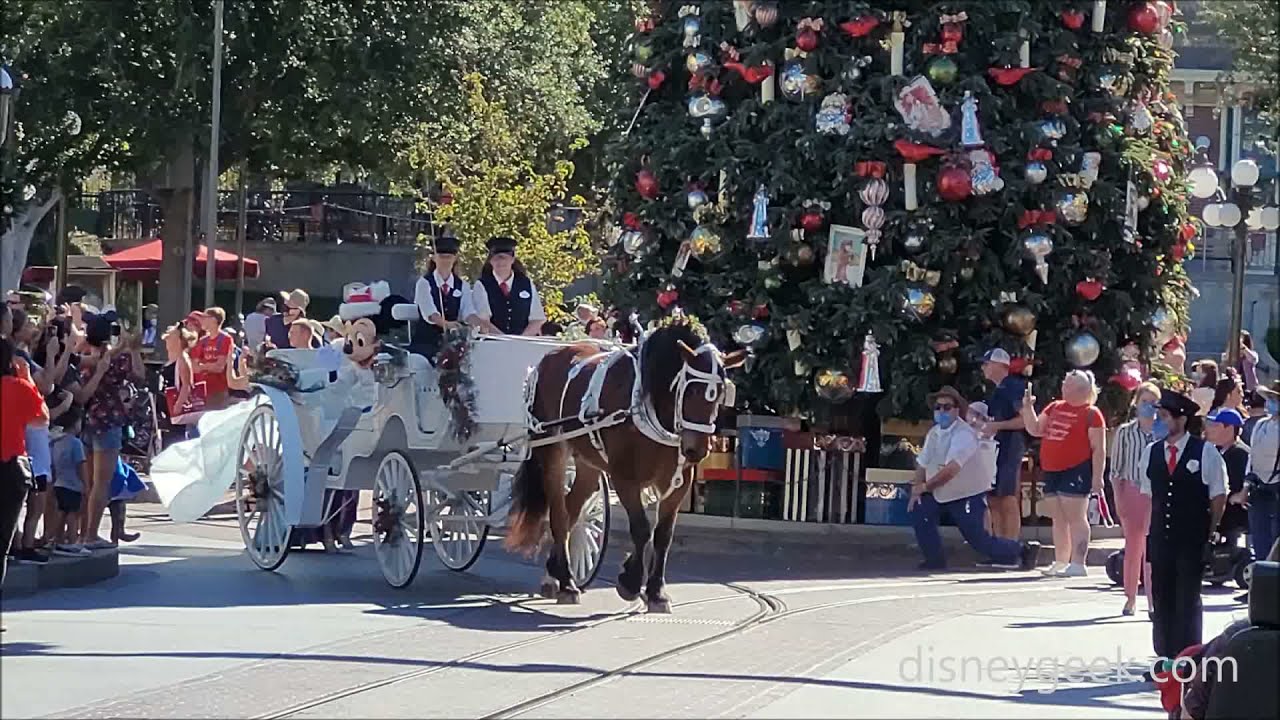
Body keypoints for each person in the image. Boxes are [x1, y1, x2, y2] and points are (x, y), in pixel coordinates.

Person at [1138, 389, 1228, 665]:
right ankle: (1164, 656)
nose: (1160, 421)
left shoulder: (1206, 452)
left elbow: (1218, 496)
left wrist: (1210, 533)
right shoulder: (1152, 452)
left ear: (1181, 419)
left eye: (1165, 416)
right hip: (1161, 538)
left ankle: (1188, 656)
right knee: (1162, 596)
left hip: (1191, 538)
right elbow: (1149, 495)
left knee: (1187, 599)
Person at [909, 386, 1040, 571]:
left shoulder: (964, 435)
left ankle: (1022, 550)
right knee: (920, 511)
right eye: (938, 407)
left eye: (947, 407)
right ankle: (934, 559)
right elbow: (923, 462)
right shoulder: (935, 433)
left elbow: (951, 470)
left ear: (956, 410)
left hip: (965, 493)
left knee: (979, 541)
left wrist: (924, 487)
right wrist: (917, 488)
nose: (941, 411)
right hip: (940, 491)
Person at [1021, 370, 1107, 577]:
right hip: (1051, 469)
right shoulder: (1054, 407)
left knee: (1076, 517)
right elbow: (1035, 429)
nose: (1064, 388)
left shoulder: (1092, 414)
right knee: (1058, 517)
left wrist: (1097, 477)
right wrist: (1027, 408)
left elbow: (1099, 449)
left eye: (1070, 385)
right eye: (1065, 383)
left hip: (1076, 469)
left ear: (1084, 390)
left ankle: (1078, 563)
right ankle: (1061, 560)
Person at [75, 313, 145, 549]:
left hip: (87, 421)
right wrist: (133, 348)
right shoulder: (115, 359)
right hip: (109, 420)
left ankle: (82, 532)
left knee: (88, 483)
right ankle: (91, 534)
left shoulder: (83, 356)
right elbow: (139, 376)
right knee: (101, 484)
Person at [1, 335, 50, 621]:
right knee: (2, 542)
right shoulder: (18, 387)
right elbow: (41, 419)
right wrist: (28, 379)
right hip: (9, 468)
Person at [1110, 381, 1160, 616]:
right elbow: (1116, 471)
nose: (1148, 407)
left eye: (1153, 403)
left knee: (1153, 548)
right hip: (1132, 491)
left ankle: (1153, 599)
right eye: (1144, 402)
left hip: (1157, 494)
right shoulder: (1125, 432)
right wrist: (1119, 500)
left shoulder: (1163, 432)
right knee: (1133, 546)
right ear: (1136, 403)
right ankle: (1130, 597)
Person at [978, 348, 1026, 542]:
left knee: (1007, 498)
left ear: (999, 365)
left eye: (987, 363)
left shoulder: (1013, 387)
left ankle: (1011, 546)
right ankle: (998, 547)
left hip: (1009, 448)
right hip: (995, 449)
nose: (983, 368)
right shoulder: (998, 391)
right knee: (993, 499)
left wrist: (997, 426)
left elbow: (1024, 420)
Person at [412, 233, 474, 358]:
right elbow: (430, 313)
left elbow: (468, 312)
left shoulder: (463, 286)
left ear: (455, 258)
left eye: (449, 257)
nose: (445, 261)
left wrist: (478, 324)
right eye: (441, 257)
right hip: (426, 344)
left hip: (455, 344)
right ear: (434, 258)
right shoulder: (424, 283)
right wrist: (447, 324)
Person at [469, 236, 546, 336]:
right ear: (490, 261)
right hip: (493, 343)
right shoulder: (482, 285)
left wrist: (520, 340)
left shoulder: (526, 284)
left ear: (512, 259)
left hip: (523, 343)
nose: (501, 263)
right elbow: (483, 321)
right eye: (496, 259)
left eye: (504, 258)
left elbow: (537, 319)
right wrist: (505, 341)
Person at [48, 407, 91, 557]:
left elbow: (52, 465)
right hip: (73, 485)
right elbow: (81, 464)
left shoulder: (55, 442)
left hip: (59, 483)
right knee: (72, 513)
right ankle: (72, 541)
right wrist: (85, 484)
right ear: (75, 424)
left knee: (61, 512)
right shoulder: (75, 443)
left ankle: (57, 539)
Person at [1246, 381, 1279, 564]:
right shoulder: (1260, 424)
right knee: (1260, 538)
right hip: (1259, 485)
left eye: (1276, 400)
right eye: (1271, 399)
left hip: (1278, 487)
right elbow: (1252, 456)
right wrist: (1246, 486)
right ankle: (1258, 588)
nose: (1271, 403)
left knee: (1276, 542)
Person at [192, 307, 234, 410]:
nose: (202, 320)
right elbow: (194, 367)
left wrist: (203, 366)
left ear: (214, 320)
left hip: (218, 389)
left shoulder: (225, 339)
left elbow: (219, 367)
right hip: (201, 389)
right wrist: (208, 366)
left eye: (205, 317)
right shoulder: (202, 341)